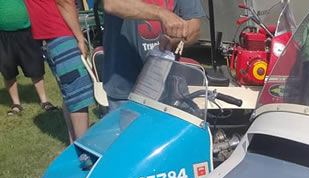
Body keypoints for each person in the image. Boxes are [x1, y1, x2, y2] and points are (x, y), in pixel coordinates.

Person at [102, 0, 204, 111]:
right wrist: (161, 13)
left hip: (169, 87)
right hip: (125, 86)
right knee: (132, 128)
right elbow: (112, 4)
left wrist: (173, 41)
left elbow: (194, 28)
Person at [23, 0, 95, 142]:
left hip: (48, 35)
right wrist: (80, 38)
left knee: (69, 93)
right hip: (61, 32)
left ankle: (74, 146)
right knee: (78, 95)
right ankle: (83, 151)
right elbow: (64, 2)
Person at [0, 0, 57, 116]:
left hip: (27, 31)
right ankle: (16, 104)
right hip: (3, 34)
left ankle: (44, 101)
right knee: (7, 68)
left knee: (35, 66)